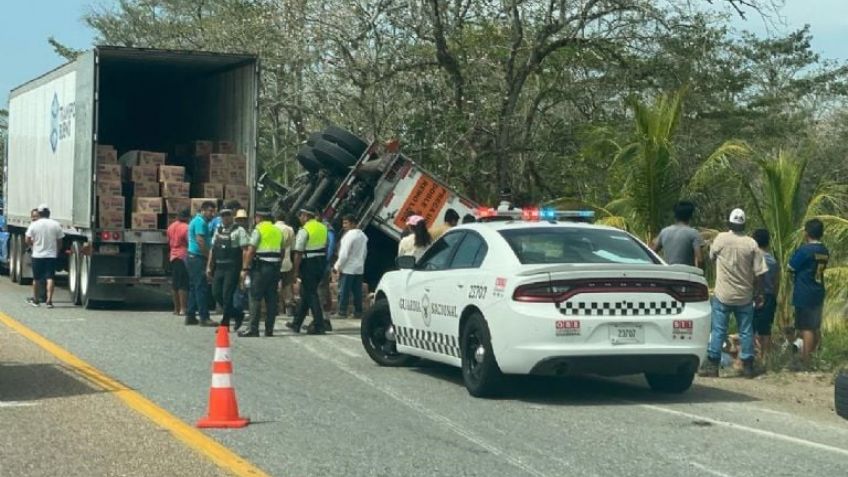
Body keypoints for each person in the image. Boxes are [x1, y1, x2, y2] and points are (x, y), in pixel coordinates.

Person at [699, 208, 767, 379]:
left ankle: (713, 365)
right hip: (744, 296)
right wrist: (759, 293)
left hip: (723, 294)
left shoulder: (721, 239)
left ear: (729, 223)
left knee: (719, 330)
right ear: (744, 224)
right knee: (746, 330)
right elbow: (760, 274)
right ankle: (748, 366)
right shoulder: (751, 244)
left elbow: (712, 257)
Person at [788, 219, 830, 368]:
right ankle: (813, 357)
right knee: (814, 325)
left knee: (806, 327)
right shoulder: (824, 250)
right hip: (818, 290)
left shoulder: (805, 250)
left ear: (807, 233)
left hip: (805, 292)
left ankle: (806, 361)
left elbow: (791, 266)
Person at [239, 209, 284, 337]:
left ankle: (253, 329)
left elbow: (251, 250)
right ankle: (269, 329)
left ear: (259, 217)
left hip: (261, 268)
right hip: (274, 268)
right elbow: (282, 250)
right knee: (271, 299)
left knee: (255, 297)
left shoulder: (258, 230)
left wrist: (245, 268)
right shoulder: (277, 230)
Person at [285, 207, 330, 335]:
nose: (300, 218)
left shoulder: (304, 230)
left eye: (300, 215)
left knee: (311, 293)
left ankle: (319, 324)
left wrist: (295, 271)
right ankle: (296, 323)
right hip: (321, 262)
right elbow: (326, 246)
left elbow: (298, 253)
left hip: (309, 263)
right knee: (306, 293)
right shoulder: (323, 228)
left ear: (305, 216)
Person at [207, 208, 249, 331]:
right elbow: (213, 249)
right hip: (219, 267)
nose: (225, 218)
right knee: (216, 293)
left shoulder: (239, 230)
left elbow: (245, 250)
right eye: (223, 216)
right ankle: (237, 314)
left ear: (232, 217)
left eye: (228, 215)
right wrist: (209, 266)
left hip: (232, 267)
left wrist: (244, 269)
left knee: (227, 295)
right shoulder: (218, 230)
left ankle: (225, 324)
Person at [24, 205, 64, 308]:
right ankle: (49, 301)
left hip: (37, 255)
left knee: (36, 279)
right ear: (49, 213)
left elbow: (27, 239)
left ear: (39, 214)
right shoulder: (55, 224)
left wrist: (33, 244)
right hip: (51, 255)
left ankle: (36, 300)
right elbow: (60, 241)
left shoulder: (34, 225)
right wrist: (57, 251)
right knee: (50, 277)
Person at [186, 201, 218, 327]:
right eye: (210, 211)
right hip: (198, 258)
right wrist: (208, 257)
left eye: (214, 211)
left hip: (192, 257)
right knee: (201, 288)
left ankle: (190, 315)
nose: (212, 214)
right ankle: (204, 317)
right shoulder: (200, 222)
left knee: (194, 287)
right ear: (203, 210)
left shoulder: (196, 221)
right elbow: (200, 240)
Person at [333, 215, 368, 319]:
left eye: (346, 223)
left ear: (353, 223)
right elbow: (365, 252)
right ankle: (358, 311)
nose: (344, 226)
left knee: (344, 290)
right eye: (343, 223)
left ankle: (342, 311)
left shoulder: (349, 235)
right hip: (359, 267)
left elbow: (344, 253)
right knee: (357, 291)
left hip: (348, 267)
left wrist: (337, 266)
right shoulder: (363, 235)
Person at [752, 229, 779, 358]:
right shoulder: (773, 261)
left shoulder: (753, 258)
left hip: (755, 296)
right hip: (769, 297)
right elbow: (776, 282)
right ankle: (766, 358)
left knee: (750, 329)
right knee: (766, 330)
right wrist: (773, 297)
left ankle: (750, 357)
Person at [652, 201, 703, 267]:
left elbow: (652, 252)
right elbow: (700, 260)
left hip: (668, 273)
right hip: (686, 274)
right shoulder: (693, 233)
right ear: (690, 216)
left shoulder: (664, 232)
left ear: (675, 215)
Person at [167, 208, 191, 316]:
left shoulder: (171, 226)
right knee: (183, 283)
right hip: (183, 255)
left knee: (175, 283)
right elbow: (189, 241)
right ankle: (183, 308)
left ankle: (176, 309)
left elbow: (169, 240)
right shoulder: (186, 228)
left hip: (173, 255)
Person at [274, 211, 296, 317]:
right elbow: (293, 248)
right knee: (287, 286)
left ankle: (275, 308)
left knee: (273, 286)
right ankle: (289, 309)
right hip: (287, 261)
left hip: (274, 262)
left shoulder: (273, 228)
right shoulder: (290, 229)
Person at [317, 217, 337, 322]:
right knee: (324, 290)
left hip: (322, 264)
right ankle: (325, 319)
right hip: (320, 263)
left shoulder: (326, 227)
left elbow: (332, 243)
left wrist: (326, 259)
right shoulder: (321, 227)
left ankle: (322, 320)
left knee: (321, 290)